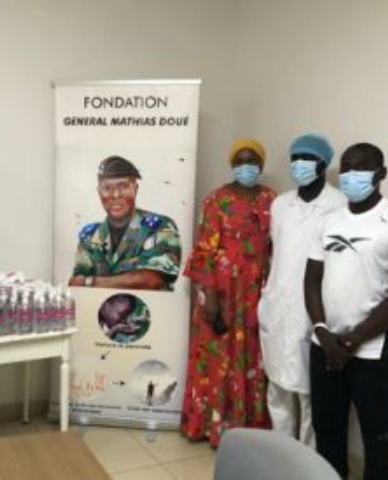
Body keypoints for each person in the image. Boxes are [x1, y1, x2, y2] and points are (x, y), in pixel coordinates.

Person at [305, 143, 388, 480]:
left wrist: (355, 338)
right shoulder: (328, 221)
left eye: (360, 168)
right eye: (345, 168)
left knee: (378, 441)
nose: (350, 175)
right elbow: (311, 279)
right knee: (327, 433)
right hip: (325, 346)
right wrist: (322, 331)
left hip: (376, 355)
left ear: (380, 173)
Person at [181, 139, 274, 447]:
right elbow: (204, 251)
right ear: (233, 165)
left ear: (261, 165)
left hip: (256, 289)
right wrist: (209, 297)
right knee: (217, 356)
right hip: (220, 288)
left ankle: (249, 426)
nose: (246, 166)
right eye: (240, 161)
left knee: (252, 356)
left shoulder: (272, 199)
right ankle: (212, 426)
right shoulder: (216, 200)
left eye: (252, 160)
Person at [257, 134, 346, 447]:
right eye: (295, 158)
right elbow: (276, 252)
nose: (299, 164)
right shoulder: (280, 204)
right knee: (277, 386)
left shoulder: (340, 205)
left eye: (308, 158)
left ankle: (308, 458)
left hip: (315, 308)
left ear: (323, 163)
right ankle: (280, 450)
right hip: (278, 303)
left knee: (311, 392)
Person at [69, 156, 182, 291]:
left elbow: (151, 281)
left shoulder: (160, 227)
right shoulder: (90, 236)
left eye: (123, 186)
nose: (116, 195)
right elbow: (77, 284)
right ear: (99, 192)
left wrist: (90, 282)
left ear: (135, 189)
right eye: (107, 188)